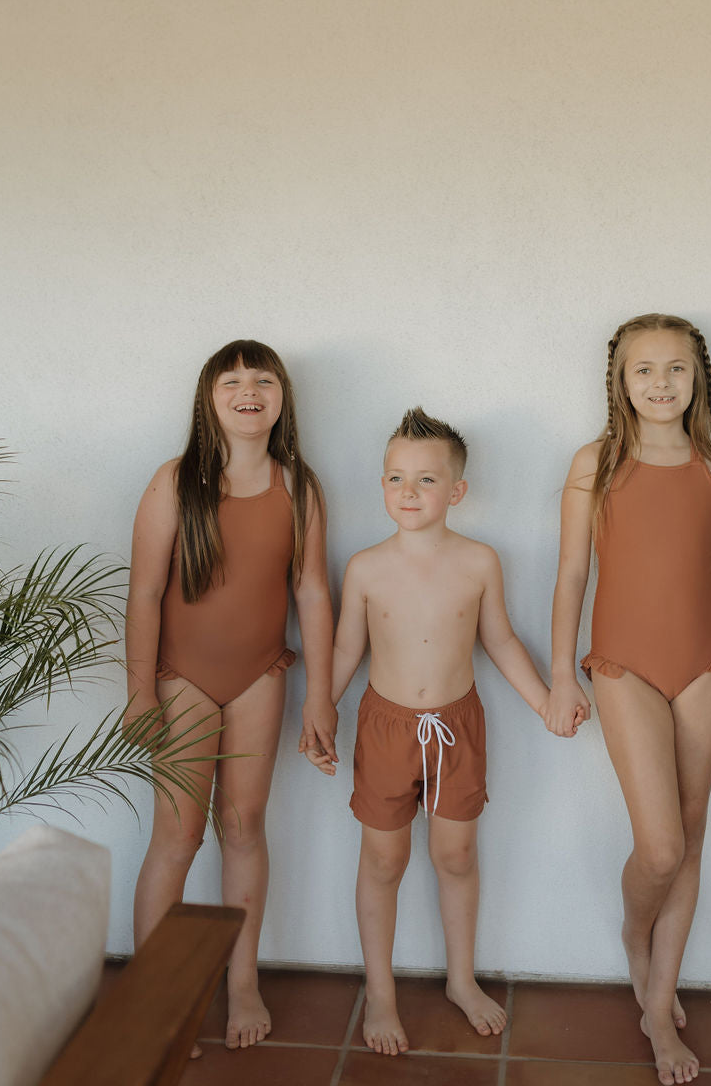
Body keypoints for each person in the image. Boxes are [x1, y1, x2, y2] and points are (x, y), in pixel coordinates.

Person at [545, 314, 711, 1086]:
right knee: (658, 846)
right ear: (619, 382)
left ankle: (658, 1003)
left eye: (676, 370)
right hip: (623, 665)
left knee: (691, 835)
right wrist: (563, 673)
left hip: (707, 664)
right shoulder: (596, 462)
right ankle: (639, 936)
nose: (661, 384)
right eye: (644, 370)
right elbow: (570, 576)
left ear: (700, 379)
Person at [303, 406, 549, 1055]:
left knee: (455, 855)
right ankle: (380, 991)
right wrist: (318, 711)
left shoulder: (479, 561)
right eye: (395, 478)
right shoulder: (364, 567)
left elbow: (499, 638)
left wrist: (546, 701)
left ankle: (461, 980)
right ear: (381, 483)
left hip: (457, 727)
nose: (408, 493)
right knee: (384, 859)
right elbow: (347, 652)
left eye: (426, 480)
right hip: (386, 728)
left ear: (457, 491)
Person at [124, 340, 336, 1050]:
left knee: (244, 828)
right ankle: (158, 991)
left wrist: (322, 696)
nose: (249, 392)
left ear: (282, 398)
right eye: (233, 382)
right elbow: (146, 592)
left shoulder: (298, 485)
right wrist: (139, 691)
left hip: (260, 678)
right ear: (208, 399)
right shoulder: (175, 481)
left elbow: (310, 590)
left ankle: (242, 981)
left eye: (264, 380)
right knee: (178, 834)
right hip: (180, 681)